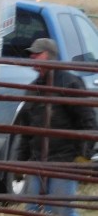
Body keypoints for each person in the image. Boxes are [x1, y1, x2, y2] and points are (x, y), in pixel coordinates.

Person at [15, 38, 97, 216]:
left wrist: (83, 155)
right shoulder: (34, 88)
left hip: (63, 160)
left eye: (38, 53)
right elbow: (26, 128)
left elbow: (88, 121)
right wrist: (21, 161)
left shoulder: (69, 84)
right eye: (32, 54)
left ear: (50, 56)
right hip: (38, 159)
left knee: (62, 210)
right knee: (34, 209)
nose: (33, 57)